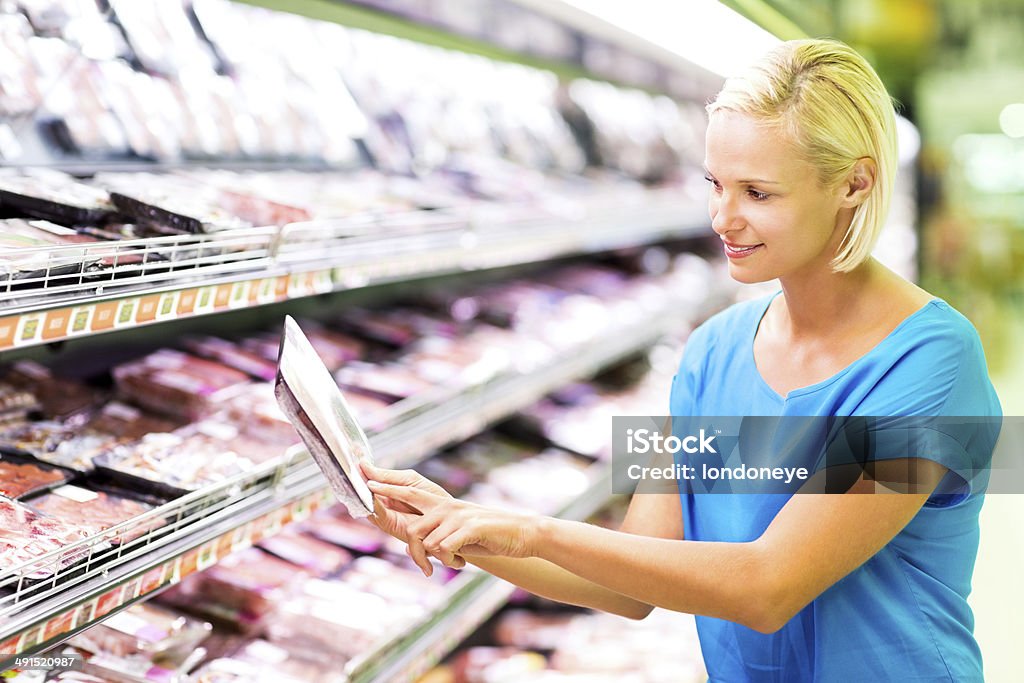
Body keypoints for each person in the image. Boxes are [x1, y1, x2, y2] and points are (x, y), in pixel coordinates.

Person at [360, 38, 1001, 682]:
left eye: (759, 193)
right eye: (715, 184)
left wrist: (531, 530)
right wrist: (464, 530)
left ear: (854, 184)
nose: (723, 217)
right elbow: (631, 580)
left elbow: (767, 586)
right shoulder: (709, 353)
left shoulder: (933, 363)